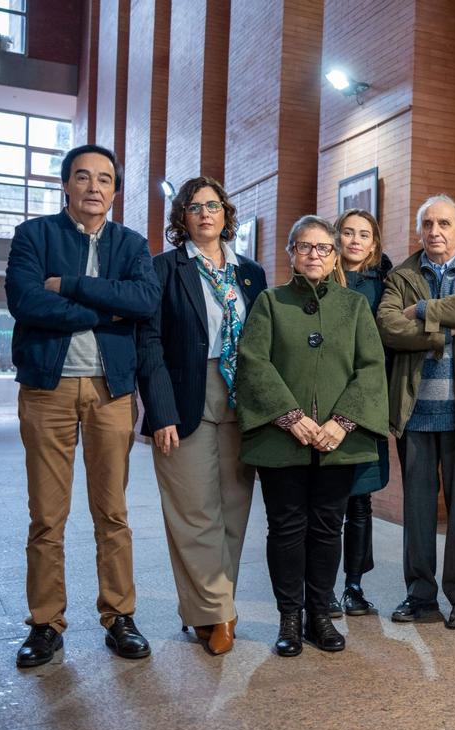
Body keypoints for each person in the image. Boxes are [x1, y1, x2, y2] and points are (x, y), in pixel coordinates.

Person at [5, 144, 161, 667]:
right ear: (66, 185)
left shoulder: (132, 243)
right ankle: (46, 624)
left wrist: (73, 288)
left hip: (109, 391)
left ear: (116, 191)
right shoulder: (34, 236)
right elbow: (26, 301)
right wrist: (104, 309)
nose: (94, 187)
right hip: (47, 390)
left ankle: (119, 616)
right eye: (83, 177)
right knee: (46, 516)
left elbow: (143, 302)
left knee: (112, 512)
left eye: (105, 179)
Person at [235, 215, 388, 657]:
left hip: (338, 442)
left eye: (323, 248)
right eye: (305, 247)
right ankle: (289, 617)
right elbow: (254, 363)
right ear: (291, 254)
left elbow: (371, 368)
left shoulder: (354, 306)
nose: (314, 255)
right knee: (285, 527)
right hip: (283, 440)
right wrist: (290, 416)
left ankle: (319, 615)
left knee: (326, 528)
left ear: (334, 255)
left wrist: (342, 422)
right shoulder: (269, 302)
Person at [137, 177, 267, 656]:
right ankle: (221, 614)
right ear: (182, 217)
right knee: (195, 513)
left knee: (234, 510)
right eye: (195, 207)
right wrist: (160, 410)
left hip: (241, 399)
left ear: (226, 214)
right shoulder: (164, 269)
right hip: (185, 396)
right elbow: (148, 342)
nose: (206, 214)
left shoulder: (250, 273)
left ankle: (206, 609)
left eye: (214, 206)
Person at [377, 195, 455, 629]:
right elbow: (389, 326)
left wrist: (425, 310)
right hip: (414, 413)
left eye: (444, 223)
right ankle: (420, 596)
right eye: (427, 223)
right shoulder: (401, 275)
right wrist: (442, 332)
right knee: (417, 510)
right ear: (419, 231)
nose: (435, 231)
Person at [329, 208, 393, 617]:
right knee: (327, 505)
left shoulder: (385, 285)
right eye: (348, 232)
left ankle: (354, 585)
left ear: (374, 243)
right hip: (326, 406)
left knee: (360, 503)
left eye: (363, 235)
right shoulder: (321, 276)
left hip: (366, 405)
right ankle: (323, 587)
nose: (355, 240)